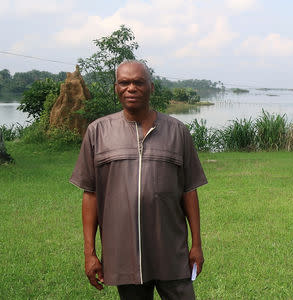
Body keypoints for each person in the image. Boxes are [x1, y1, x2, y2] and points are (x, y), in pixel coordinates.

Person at [70, 60, 207, 299]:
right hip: (124, 252)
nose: (131, 88)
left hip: (170, 249)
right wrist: (89, 253)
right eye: (124, 82)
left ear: (151, 87)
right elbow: (90, 194)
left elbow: (189, 190)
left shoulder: (177, 131)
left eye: (138, 82)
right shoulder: (98, 132)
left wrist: (196, 245)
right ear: (116, 88)